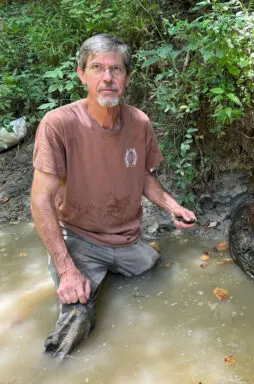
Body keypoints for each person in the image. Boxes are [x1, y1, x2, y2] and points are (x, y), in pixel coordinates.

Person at [30, 34, 197, 358]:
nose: (107, 77)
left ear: (127, 78)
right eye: (97, 68)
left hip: (126, 240)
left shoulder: (139, 123)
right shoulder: (58, 124)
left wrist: (173, 207)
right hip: (79, 239)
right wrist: (67, 270)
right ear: (81, 74)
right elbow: (40, 200)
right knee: (77, 320)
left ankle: (104, 273)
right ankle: (50, 371)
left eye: (116, 69)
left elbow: (145, 178)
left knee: (152, 268)